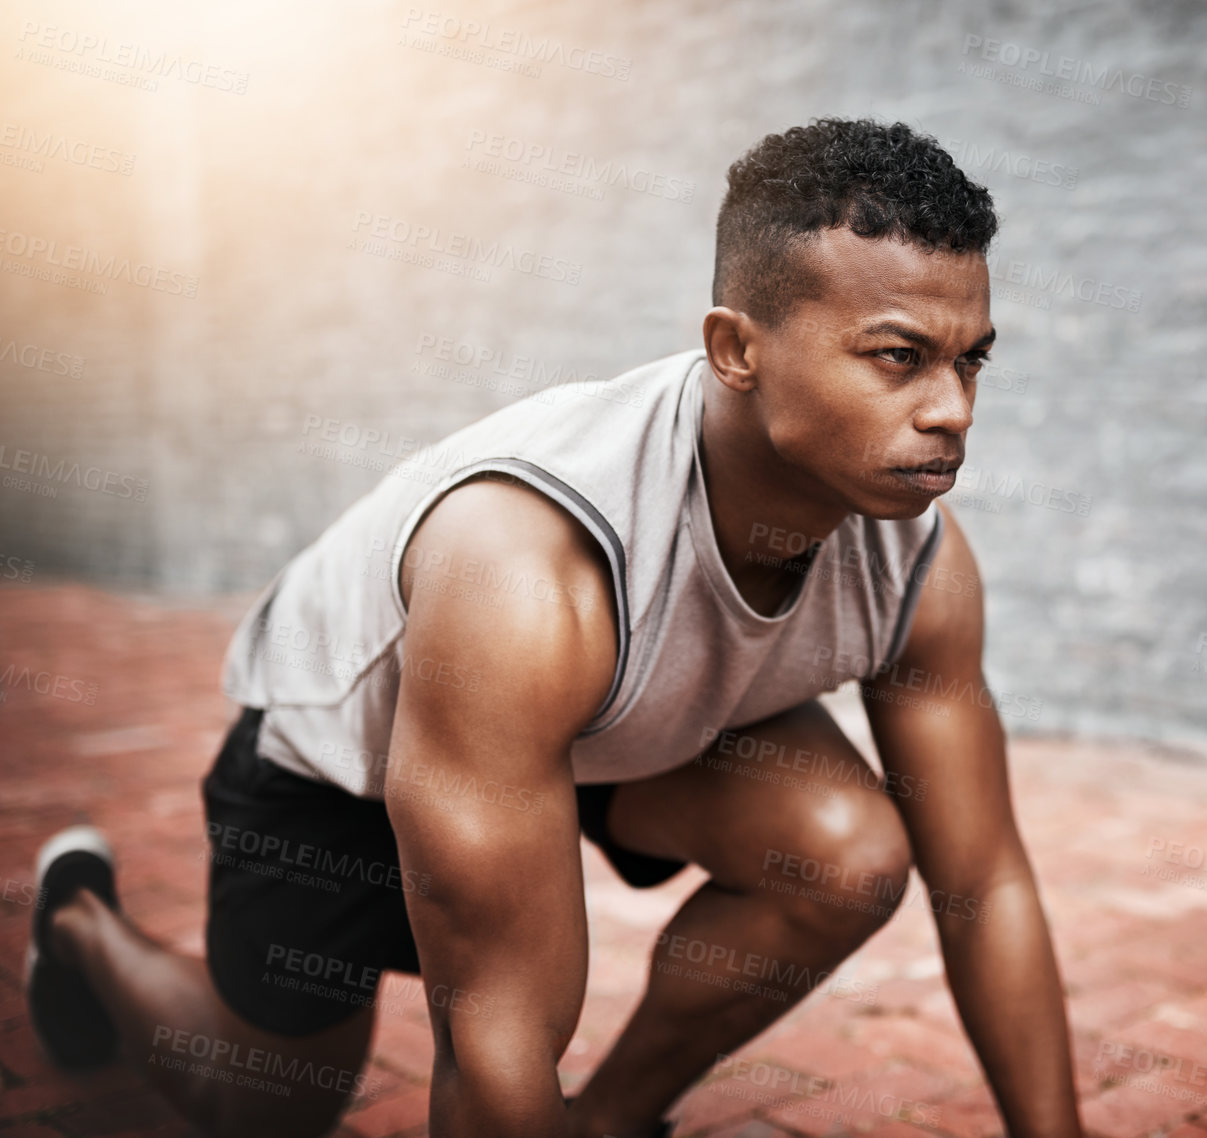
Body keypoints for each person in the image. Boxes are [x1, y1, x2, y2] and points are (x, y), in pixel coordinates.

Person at [28, 117, 1083, 1138]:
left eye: (971, 359)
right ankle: (82, 926)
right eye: (898, 357)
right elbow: (501, 1036)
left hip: (600, 723)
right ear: (736, 351)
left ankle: (613, 1120)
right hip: (337, 768)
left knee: (845, 855)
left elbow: (982, 880)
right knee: (262, 1105)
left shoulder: (917, 562)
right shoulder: (528, 567)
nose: (953, 410)